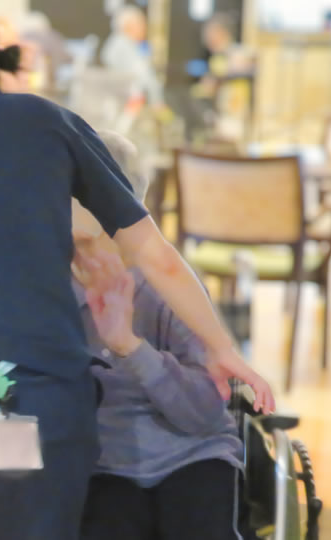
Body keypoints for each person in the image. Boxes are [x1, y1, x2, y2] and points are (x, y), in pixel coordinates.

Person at [0, 28, 271, 540]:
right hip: (21, 390)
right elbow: (154, 254)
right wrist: (221, 348)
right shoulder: (49, 120)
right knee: (22, 522)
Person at [73, 131, 245, 540]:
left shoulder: (172, 290)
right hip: (103, 464)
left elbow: (204, 414)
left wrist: (132, 349)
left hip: (192, 454)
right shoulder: (49, 288)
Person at [100, 5, 164, 108]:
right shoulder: (123, 46)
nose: (145, 28)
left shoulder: (119, 42)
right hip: (127, 104)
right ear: (129, 26)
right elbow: (143, 77)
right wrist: (157, 102)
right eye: (142, 24)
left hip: (123, 101)